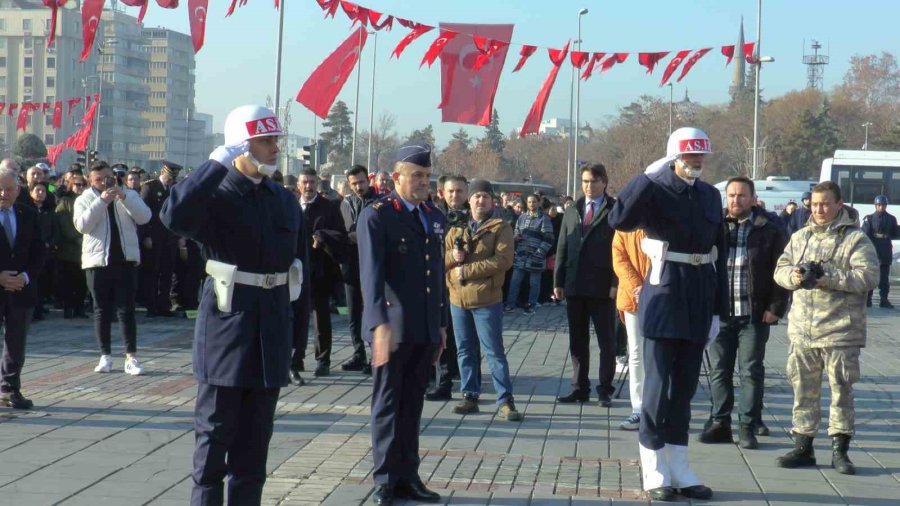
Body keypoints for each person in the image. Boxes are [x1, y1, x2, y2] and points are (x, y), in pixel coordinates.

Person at [161, 105, 307, 506]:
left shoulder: (282, 198)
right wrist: (216, 162)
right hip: (227, 328)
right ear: (241, 144)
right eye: (266, 140)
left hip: (272, 330)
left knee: (254, 452)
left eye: (276, 139)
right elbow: (173, 215)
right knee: (213, 443)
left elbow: (299, 270)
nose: (275, 147)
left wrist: (298, 338)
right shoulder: (216, 195)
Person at [608, 127, 725, 501]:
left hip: (699, 294)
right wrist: (646, 176)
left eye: (700, 158)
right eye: (690, 157)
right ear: (675, 158)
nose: (696, 164)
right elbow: (619, 218)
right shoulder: (655, 190)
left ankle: (680, 468)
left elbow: (717, 252)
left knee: (686, 390)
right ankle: (655, 471)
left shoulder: (709, 195)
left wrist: (717, 309)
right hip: (665, 292)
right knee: (657, 391)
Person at [359, 140, 447, 505]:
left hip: (424, 328)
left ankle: (408, 476)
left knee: (413, 406)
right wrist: (378, 324)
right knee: (387, 405)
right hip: (392, 329)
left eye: (427, 175)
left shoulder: (434, 215)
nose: (423, 181)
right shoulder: (379, 214)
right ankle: (384, 479)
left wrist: (441, 324)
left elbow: (437, 274)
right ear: (396, 176)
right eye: (416, 175)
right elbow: (371, 277)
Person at [773, 181, 878, 476]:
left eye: (825, 204)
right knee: (803, 391)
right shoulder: (800, 237)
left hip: (840, 331)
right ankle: (803, 446)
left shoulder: (855, 239)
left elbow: (868, 277)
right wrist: (793, 276)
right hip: (803, 331)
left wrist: (829, 277)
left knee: (840, 391)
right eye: (815, 204)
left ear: (839, 204)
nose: (819, 209)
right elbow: (779, 270)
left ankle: (840, 450)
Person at [699, 177, 789, 449]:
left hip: (754, 314)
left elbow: (781, 271)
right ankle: (720, 422)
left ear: (752, 198)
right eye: (731, 195)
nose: (736, 201)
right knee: (719, 371)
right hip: (720, 313)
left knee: (750, 371)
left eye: (741, 196)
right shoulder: (714, 227)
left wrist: (776, 308)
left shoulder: (770, 229)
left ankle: (747, 425)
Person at [444, 179, 521, 421]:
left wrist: (468, 269)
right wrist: (453, 256)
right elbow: (441, 257)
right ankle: (469, 396)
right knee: (464, 350)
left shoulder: (501, 227)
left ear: (492, 200)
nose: (480, 200)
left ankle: (505, 400)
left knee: (493, 351)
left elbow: (503, 260)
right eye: (476, 196)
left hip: (487, 299)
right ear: (470, 198)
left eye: (485, 197)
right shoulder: (457, 226)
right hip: (458, 298)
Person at [74, 160, 152, 375]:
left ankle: (131, 357)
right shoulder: (85, 199)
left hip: (125, 260)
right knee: (101, 310)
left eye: (107, 178)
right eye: (98, 179)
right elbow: (82, 226)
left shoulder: (128, 194)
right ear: (90, 180)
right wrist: (101, 201)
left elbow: (145, 217)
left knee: (126, 310)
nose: (103, 182)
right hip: (97, 262)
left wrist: (123, 197)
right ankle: (105, 356)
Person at [554, 164, 619, 407]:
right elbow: (562, 247)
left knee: (607, 342)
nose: (588, 186)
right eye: (584, 181)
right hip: (575, 286)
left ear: (604, 181)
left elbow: (620, 250)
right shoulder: (573, 210)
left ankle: (605, 389)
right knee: (577, 341)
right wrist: (558, 281)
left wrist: (616, 283)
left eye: (593, 181)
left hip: (603, 288)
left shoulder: (614, 210)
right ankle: (579, 387)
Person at [0, 167, 46, 409]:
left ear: (18, 190)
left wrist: (26, 277)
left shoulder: (28, 215)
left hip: (22, 289)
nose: (3, 193)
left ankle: (9, 388)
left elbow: (39, 252)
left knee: (16, 342)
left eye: (8, 189)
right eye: (0, 189)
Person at [296, 168, 347, 378]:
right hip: (295, 270)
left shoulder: (329, 207)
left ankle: (322, 360)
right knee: (296, 317)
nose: (308, 186)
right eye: (305, 182)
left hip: (321, 269)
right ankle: (294, 359)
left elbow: (340, 235)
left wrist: (322, 237)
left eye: (312, 182)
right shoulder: (290, 206)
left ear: (318, 183)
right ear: (299, 184)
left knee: (321, 318)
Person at [428, 174, 469, 401]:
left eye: (460, 191)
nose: (455, 196)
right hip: (439, 282)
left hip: (466, 285)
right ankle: (440, 378)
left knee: (462, 335)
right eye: (451, 191)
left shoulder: (474, 214)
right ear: (442, 192)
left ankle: (460, 372)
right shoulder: (432, 214)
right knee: (440, 332)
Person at [339, 165, 378, 375]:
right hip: (350, 264)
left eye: (361, 182)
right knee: (353, 312)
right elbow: (344, 230)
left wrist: (353, 236)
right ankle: (358, 353)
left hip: (372, 264)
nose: (358, 187)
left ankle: (375, 355)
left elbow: (367, 234)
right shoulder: (345, 203)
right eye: (354, 183)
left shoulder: (379, 203)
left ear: (368, 181)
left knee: (372, 310)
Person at [612, 228, 650, 430]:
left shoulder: (662, 219)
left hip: (660, 294)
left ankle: (658, 407)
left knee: (659, 353)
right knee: (636, 352)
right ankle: (638, 408)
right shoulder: (623, 227)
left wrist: (650, 287)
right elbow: (619, 259)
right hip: (631, 296)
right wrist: (637, 285)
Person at [140, 162, 183, 317]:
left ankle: (163, 305)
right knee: (152, 272)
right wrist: (145, 236)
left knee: (167, 272)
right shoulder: (150, 187)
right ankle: (151, 306)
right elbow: (143, 214)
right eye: (169, 178)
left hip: (169, 238)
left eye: (173, 178)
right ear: (162, 173)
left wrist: (179, 237)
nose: (170, 181)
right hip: (154, 237)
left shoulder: (175, 189)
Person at [505, 194, 553, 315]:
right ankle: (510, 304)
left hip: (536, 256)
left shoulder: (543, 219)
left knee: (534, 283)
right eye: (529, 202)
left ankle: (531, 305)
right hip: (521, 255)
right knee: (515, 281)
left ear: (538, 203)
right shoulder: (521, 217)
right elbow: (517, 230)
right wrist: (516, 236)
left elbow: (549, 238)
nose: (532, 204)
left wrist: (539, 253)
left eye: (534, 202)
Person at [55, 174, 89, 319]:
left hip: (85, 250)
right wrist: (76, 238)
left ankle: (79, 308)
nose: (79, 187)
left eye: (82, 184)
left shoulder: (89, 201)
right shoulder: (65, 201)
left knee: (82, 282)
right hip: (69, 250)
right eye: (77, 184)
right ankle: (68, 308)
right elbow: (63, 223)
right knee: (68, 281)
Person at [861, 195, 899, 308]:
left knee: (884, 277)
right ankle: (868, 299)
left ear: (886, 205)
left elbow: (895, 233)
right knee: (871, 275)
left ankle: (884, 299)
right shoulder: (869, 218)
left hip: (886, 248)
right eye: (879, 205)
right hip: (873, 248)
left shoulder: (892, 219)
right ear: (875, 205)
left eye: (883, 205)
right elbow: (864, 234)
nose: (881, 207)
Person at [28, 182, 58, 321]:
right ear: (31, 192)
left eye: (43, 191)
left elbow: (55, 232)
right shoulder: (26, 210)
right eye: (37, 190)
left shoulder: (50, 212)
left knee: (42, 282)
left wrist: (49, 243)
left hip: (46, 253)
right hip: (29, 252)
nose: (40, 193)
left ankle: (39, 307)